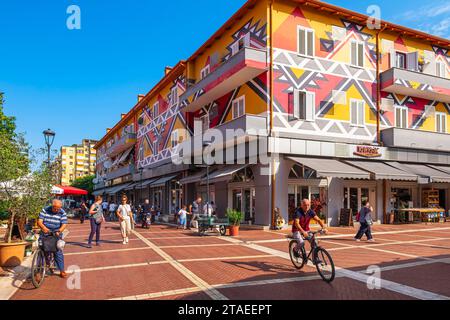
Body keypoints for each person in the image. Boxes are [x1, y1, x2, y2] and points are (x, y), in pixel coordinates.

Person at [37, 199, 68, 279]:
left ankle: (61, 270)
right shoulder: (45, 210)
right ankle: (38, 271)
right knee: (42, 250)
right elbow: (39, 221)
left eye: (58, 208)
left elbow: (64, 224)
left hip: (56, 232)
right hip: (45, 231)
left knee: (58, 251)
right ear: (52, 206)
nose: (57, 210)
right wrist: (43, 228)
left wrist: (59, 231)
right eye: (55, 208)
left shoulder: (62, 212)